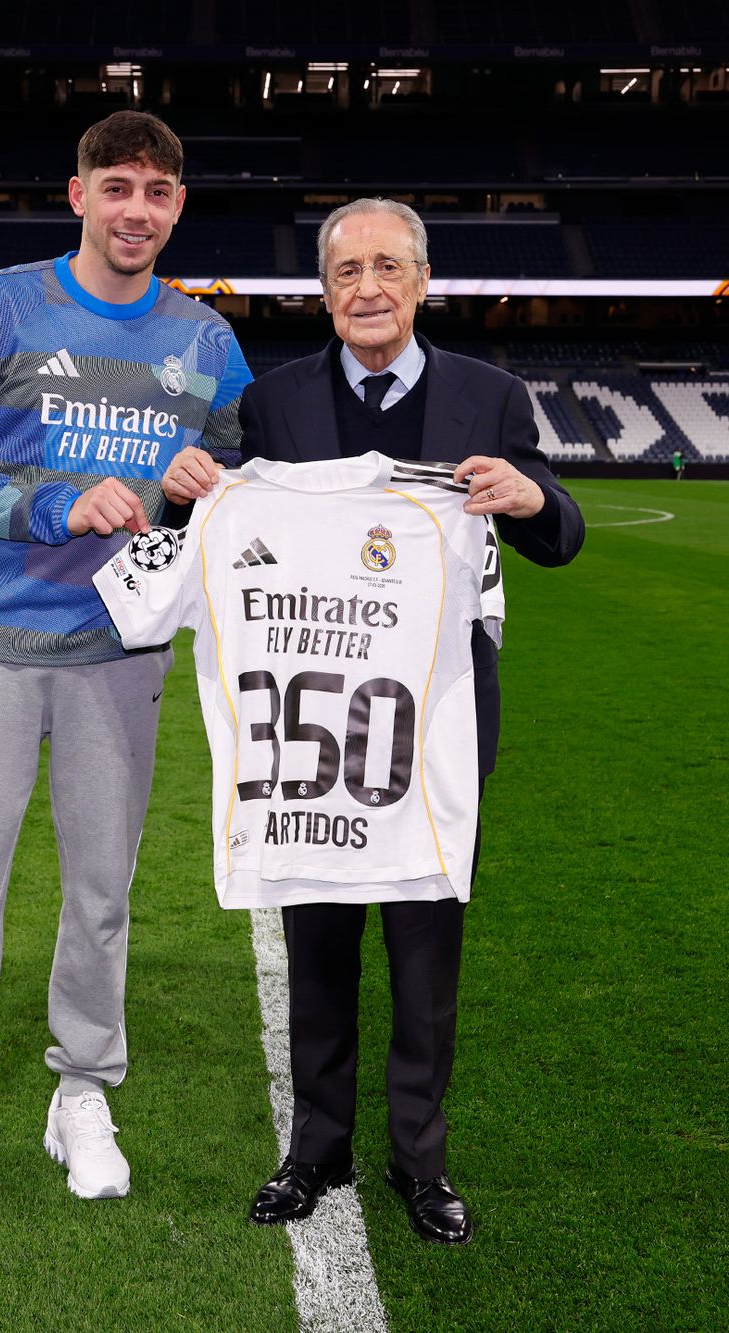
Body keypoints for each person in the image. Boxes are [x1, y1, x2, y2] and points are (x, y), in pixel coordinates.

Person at [0, 110, 251, 1220]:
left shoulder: (207, 345)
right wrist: (46, 503)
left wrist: (207, 482)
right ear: (79, 194)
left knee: (101, 891)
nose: (136, 209)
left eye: (156, 191)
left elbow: (232, 485)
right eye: (117, 187)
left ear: (178, 206)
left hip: (119, 652)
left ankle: (81, 1090)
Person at [237, 198, 584, 1243]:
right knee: (318, 943)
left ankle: (420, 1161)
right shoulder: (273, 404)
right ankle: (316, 1147)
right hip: (316, 731)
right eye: (346, 272)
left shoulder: (490, 395)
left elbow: (558, 534)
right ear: (324, 289)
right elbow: (229, 529)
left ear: (423, 280)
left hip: (438, 729)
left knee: (426, 951)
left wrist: (528, 496)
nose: (368, 289)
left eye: (388, 267)